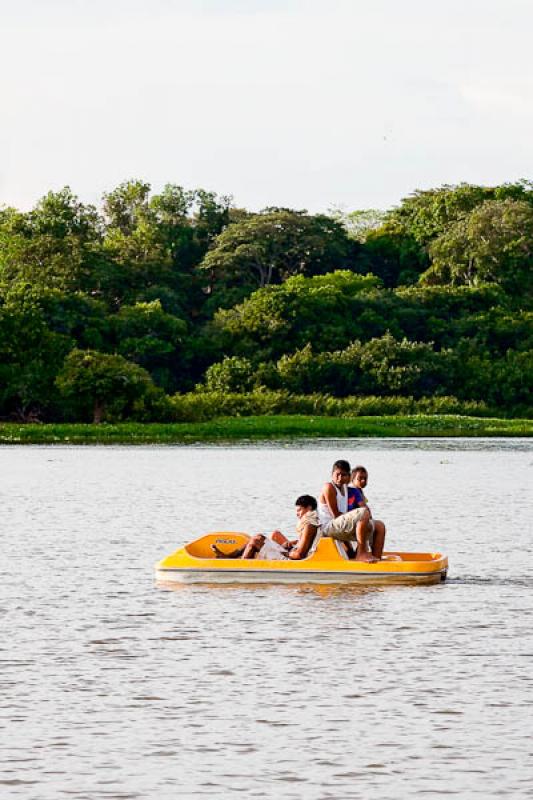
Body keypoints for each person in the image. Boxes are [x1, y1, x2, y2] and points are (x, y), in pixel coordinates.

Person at [211, 495, 320, 561]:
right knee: (259, 536)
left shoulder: (309, 525)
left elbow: (299, 555)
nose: (297, 514)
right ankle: (231, 557)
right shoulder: (312, 522)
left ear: (309, 508)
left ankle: (240, 567)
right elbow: (304, 543)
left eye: (299, 510)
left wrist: (285, 553)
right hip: (292, 553)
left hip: (290, 560)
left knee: (255, 541)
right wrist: (291, 544)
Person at [318, 459, 377, 563]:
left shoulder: (345, 488)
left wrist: (349, 549)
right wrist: (358, 518)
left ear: (348, 477)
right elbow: (336, 516)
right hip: (327, 528)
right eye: (337, 474)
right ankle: (361, 554)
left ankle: (376, 557)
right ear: (332, 474)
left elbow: (343, 519)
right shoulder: (328, 487)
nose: (340, 478)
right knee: (363, 512)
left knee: (378, 525)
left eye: (344, 475)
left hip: (338, 526)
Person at [349, 465, 386, 560]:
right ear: (352, 479)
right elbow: (364, 508)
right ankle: (375, 556)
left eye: (365, 479)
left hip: (360, 520)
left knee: (377, 525)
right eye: (360, 478)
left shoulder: (358, 491)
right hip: (357, 521)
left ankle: (373, 555)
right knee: (379, 526)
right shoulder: (354, 491)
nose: (363, 481)